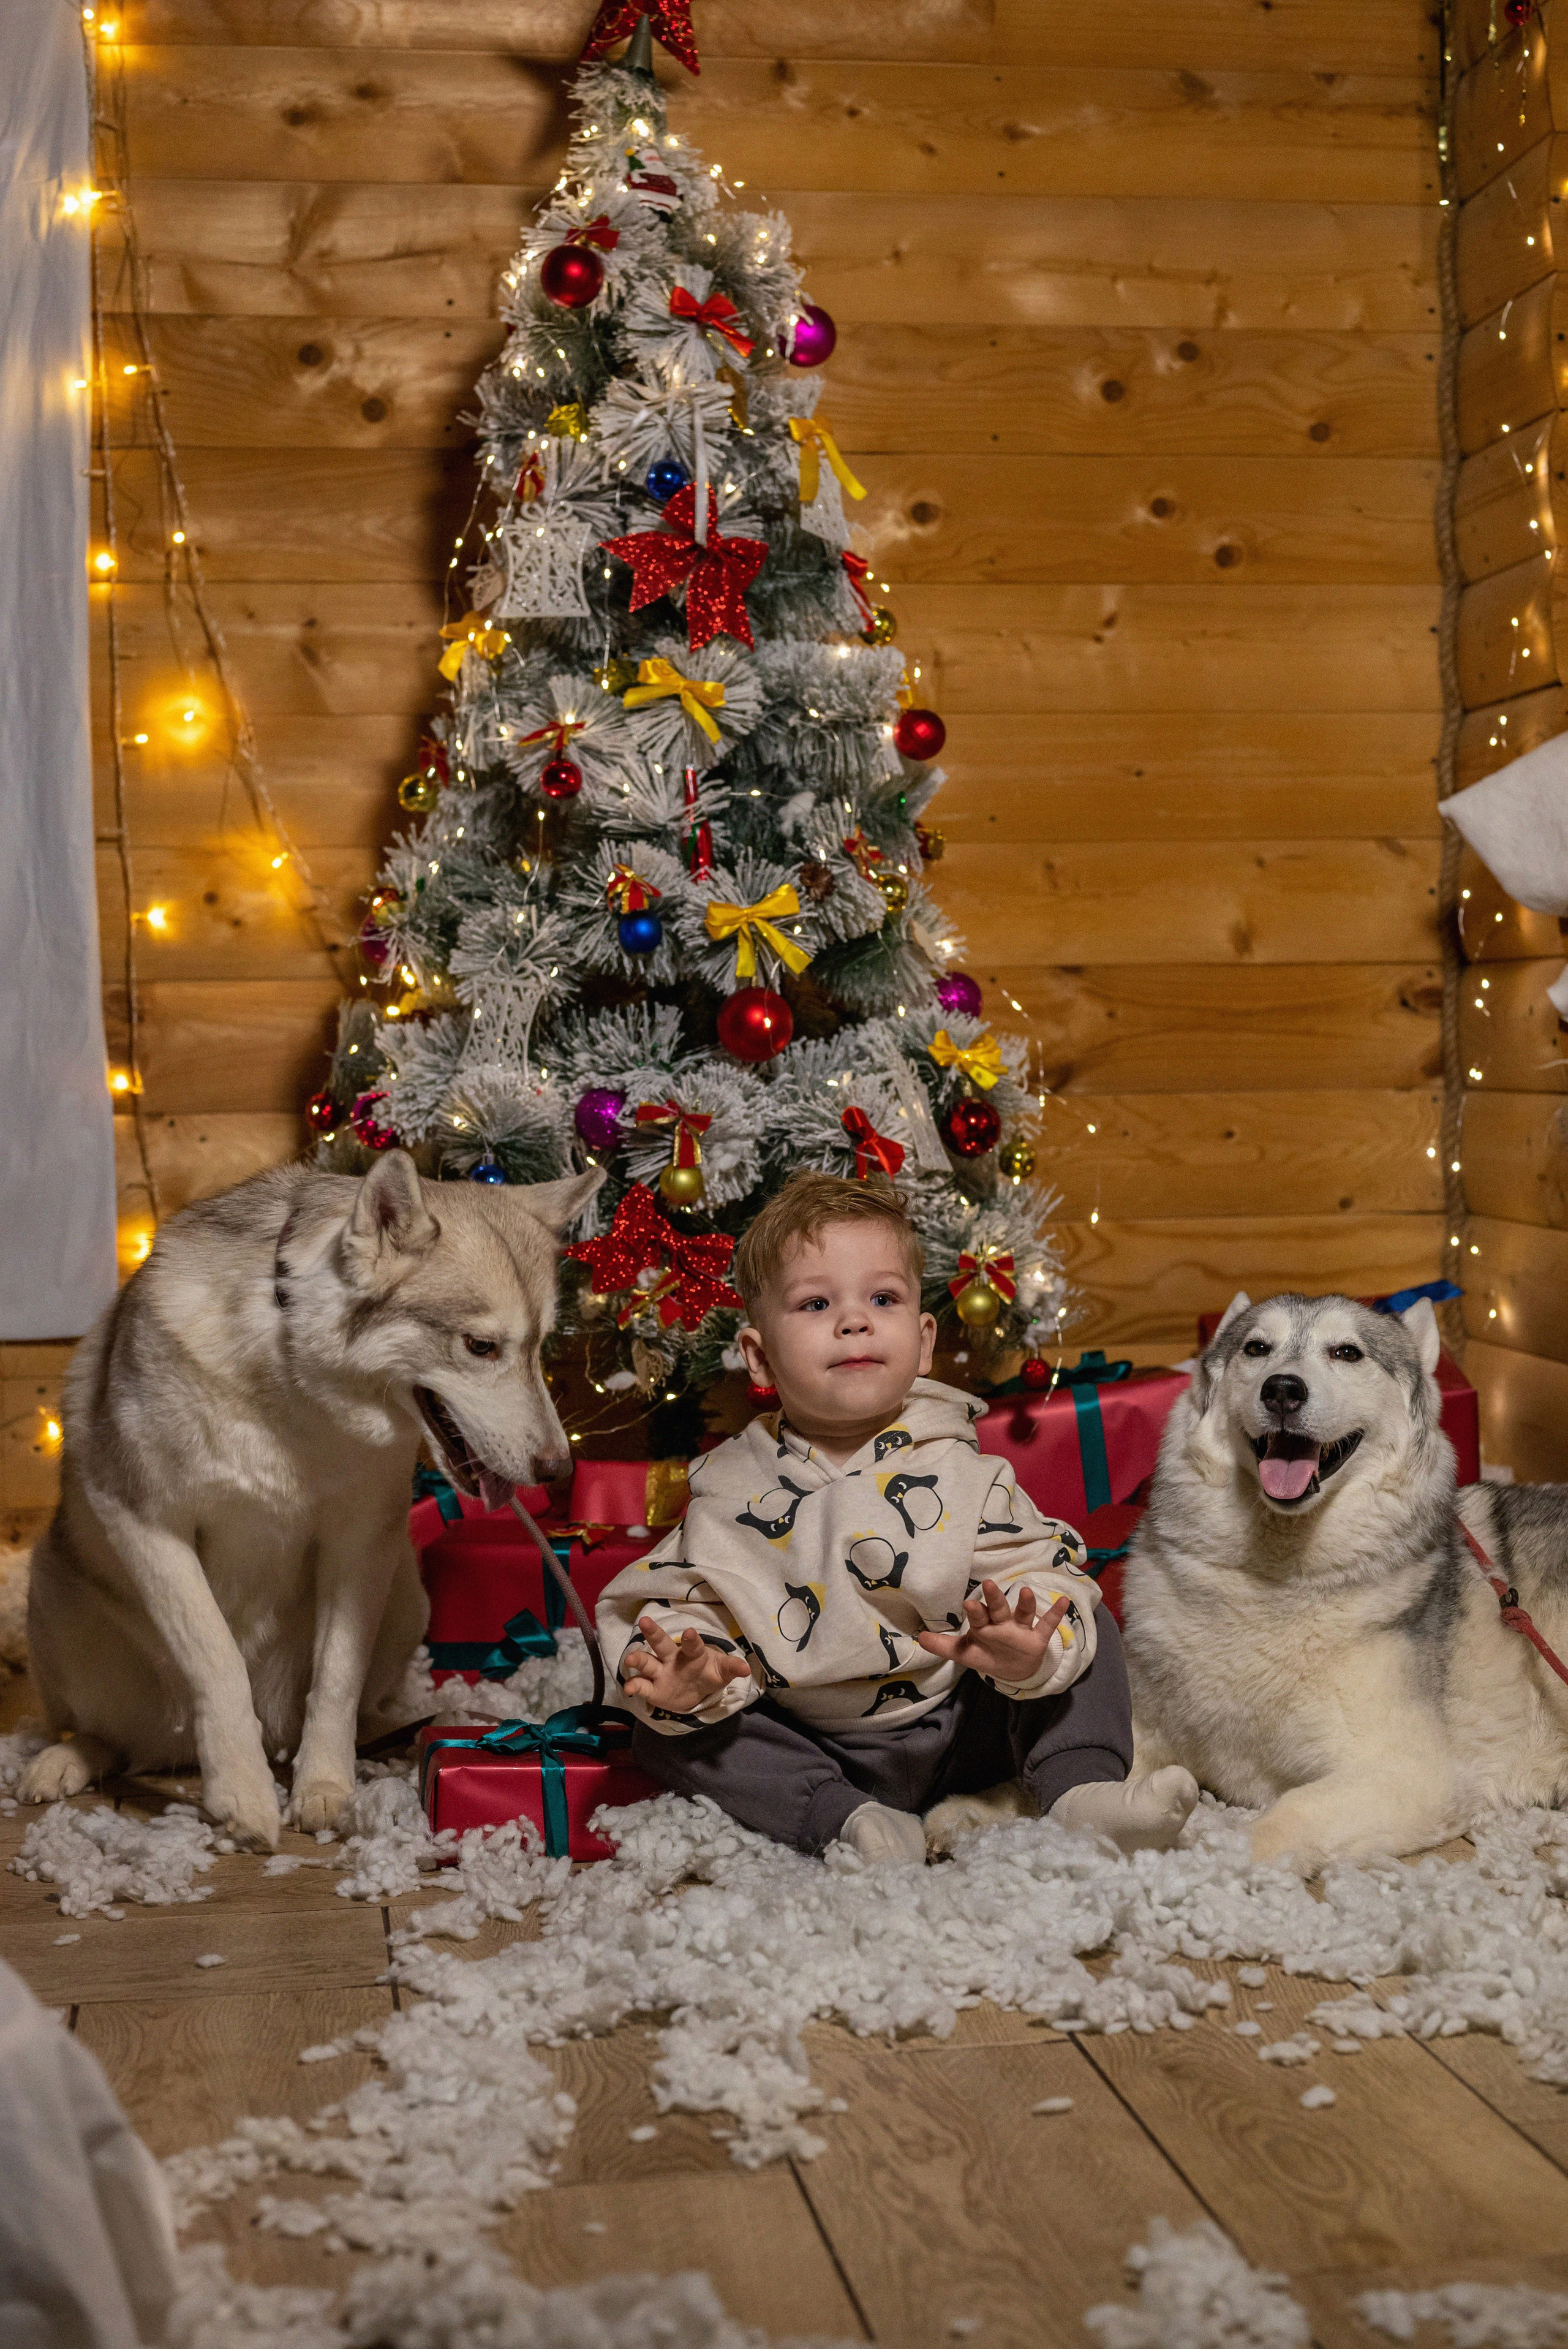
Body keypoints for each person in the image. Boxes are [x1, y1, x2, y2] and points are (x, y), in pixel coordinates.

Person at [595, 1171, 1199, 1865]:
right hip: (814, 1743)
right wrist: (689, 1676)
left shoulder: (967, 1473)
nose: (854, 1321)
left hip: (966, 1723)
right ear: (759, 1357)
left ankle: (1081, 1793)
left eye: (882, 1299)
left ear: (923, 1338)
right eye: (816, 1303)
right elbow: (682, 1611)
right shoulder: (729, 1493)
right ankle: (851, 1820)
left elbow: (1034, 1576)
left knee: (1084, 1620)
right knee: (661, 1733)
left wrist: (1026, 1646)